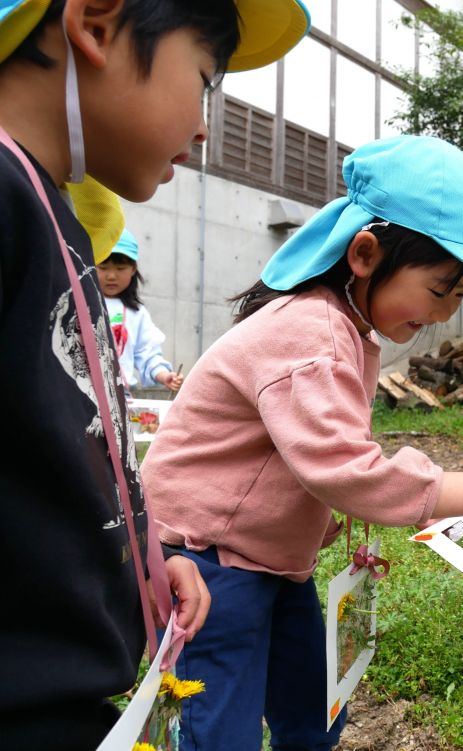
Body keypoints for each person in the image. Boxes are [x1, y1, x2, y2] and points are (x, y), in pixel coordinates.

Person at [140, 134, 463, 751]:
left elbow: (297, 455)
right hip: (210, 565)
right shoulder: (312, 332)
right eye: (441, 288)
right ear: (365, 254)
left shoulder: (341, 328)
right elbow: (343, 467)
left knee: (313, 705)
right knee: (218, 727)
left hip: (276, 561)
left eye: (459, 294)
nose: (447, 313)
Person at [0, 1, 309, 748]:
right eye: (204, 80)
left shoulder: (56, 218)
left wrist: (139, 557)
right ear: (97, 23)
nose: (206, 126)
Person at [100, 227, 185, 394]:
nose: (111, 275)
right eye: (103, 267)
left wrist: (164, 375)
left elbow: (148, 355)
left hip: (120, 397)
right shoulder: (78, 304)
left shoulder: (136, 313)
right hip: (80, 394)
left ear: (133, 269)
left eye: (120, 268)